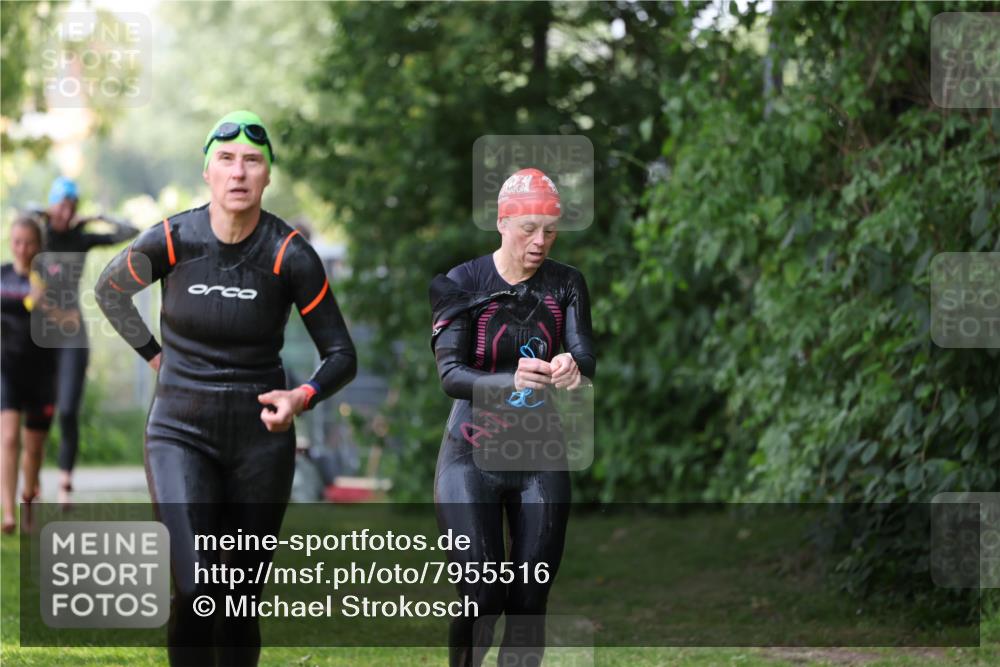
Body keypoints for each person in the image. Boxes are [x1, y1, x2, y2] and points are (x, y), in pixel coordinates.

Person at [94, 110, 357, 666]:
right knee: (195, 593)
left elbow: (341, 355)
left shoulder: (289, 255)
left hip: (259, 443)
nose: (239, 172)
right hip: (178, 432)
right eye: (227, 160)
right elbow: (109, 289)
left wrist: (299, 398)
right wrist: (156, 357)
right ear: (208, 172)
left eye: (252, 162)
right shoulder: (173, 238)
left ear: (267, 177)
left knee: (237, 604)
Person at [429, 167, 596, 666]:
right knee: (482, 597)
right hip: (469, 451)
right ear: (502, 222)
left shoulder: (566, 283)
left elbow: (584, 355)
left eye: (550, 230)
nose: (540, 241)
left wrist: (573, 368)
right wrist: (509, 382)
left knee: (528, 603)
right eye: (528, 228)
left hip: (540, 452)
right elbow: (451, 375)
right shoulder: (461, 282)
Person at [35, 176, 140, 508]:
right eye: (60, 205)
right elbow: (22, 216)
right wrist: (44, 214)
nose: (66, 212)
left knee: (67, 411)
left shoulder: (81, 239)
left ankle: (65, 485)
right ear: (52, 205)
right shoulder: (40, 234)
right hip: (38, 332)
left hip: (72, 332)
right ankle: (32, 484)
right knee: (36, 412)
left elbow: (129, 232)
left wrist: (97, 218)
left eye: (71, 206)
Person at [1, 216, 60, 534]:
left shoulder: (51, 278)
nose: (22, 248)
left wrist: (46, 305)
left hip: (41, 374)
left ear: (39, 245)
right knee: (8, 438)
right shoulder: (2, 276)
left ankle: (28, 498)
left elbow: (71, 323)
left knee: (34, 448)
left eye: (29, 242)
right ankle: (8, 513)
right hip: (6, 369)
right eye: (17, 241)